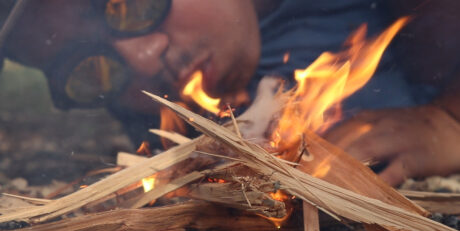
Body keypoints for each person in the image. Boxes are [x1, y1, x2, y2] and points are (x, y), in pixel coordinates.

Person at [0, 0, 459, 187]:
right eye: (90, 70)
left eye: (131, 5)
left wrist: (450, 118)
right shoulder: (161, 111)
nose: (141, 60)